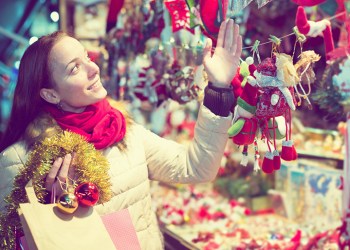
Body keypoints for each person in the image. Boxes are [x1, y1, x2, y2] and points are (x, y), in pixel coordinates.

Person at [0, 19, 242, 249]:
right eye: (75, 68)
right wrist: (56, 208)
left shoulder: (124, 131)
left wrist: (218, 89)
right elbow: (11, 241)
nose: (93, 68)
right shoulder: (20, 161)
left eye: (86, 57)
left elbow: (196, 167)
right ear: (51, 94)